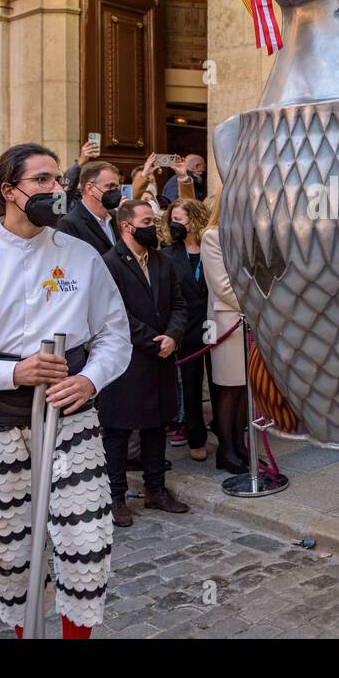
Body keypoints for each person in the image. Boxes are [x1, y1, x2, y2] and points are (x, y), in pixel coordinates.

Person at [0, 143, 130, 639]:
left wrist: (90, 378)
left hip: (71, 421)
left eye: (58, 180)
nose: (55, 190)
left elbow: (114, 335)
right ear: (9, 191)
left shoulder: (82, 256)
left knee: (86, 546)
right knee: (11, 555)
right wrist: (11, 373)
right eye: (41, 181)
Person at [98, 199, 189, 522]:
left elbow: (179, 304)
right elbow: (115, 314)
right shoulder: (109, 264)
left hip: (161, 357)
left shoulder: (162, 261)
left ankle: (155, 491)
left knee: (156, 426)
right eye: (148, 221)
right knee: (118, 431)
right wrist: (153, 340)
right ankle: (116, 498)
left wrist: (173, 336)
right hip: (127, 359)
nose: (155, 226)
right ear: (127, 226)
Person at [201, 191, 252, 473]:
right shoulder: (213, 236)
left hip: (248, 320)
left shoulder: (245, 234)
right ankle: (227, 450)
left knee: (245, 387)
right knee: (229, 388)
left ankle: (241, 444)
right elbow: (222, 285)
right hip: (228, 321)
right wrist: (258, 304)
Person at [162, 198, 212, 459]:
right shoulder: (168, 254)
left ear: (194, 220)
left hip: (216, 326)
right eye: (173, 220)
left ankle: (229, 435)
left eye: (180, 219)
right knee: (191, 387)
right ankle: (196, 438)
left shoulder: (212, 246)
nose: (176, 224)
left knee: (221, 385)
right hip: (187, 329)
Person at [57, 160, 121, 254]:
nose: (115, 191)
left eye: (116, 187)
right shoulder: (70, 224)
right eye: (110, 186)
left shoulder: (116, 217)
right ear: (90, 188)